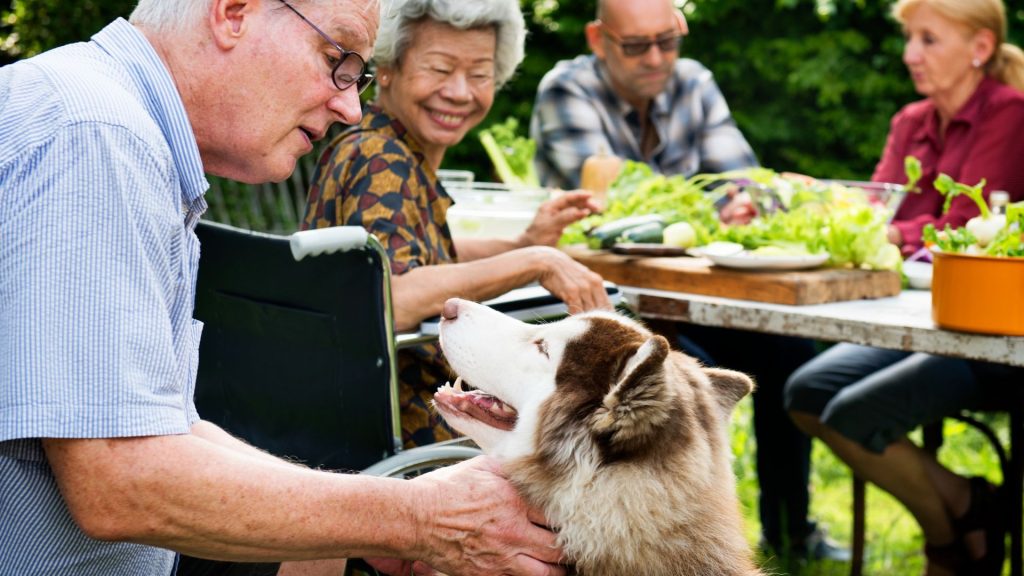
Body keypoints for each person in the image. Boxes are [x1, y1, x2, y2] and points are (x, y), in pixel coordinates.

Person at [0, 1, 569, 575]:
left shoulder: (113, 127)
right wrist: (419, 517)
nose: (351, 106)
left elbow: (166, 426)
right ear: (234, 12)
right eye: (335, 59)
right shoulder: (98, 139)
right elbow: (120, 480)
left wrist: (378, 519)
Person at [528, 0, 847, 563]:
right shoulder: (566, 90)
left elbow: (742, 181)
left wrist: (745, 197)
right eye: (636, 45)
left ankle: (791, 530)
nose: (657, 58)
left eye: (667, 41)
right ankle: (659, 541)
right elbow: (615, 199)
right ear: (599, 39)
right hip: (610, 310)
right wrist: (716, 200)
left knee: (789, 353)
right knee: (680, 379)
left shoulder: (694, 82)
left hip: (693, 297)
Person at [302, 0, 611, 448]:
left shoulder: (381, 147)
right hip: (412, 446)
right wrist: (536, 260)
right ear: (386, 68)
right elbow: (392, 294)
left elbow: (415, 256)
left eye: (480, 74)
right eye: (440, 68)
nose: (460, 91)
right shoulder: (382, 159)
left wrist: (524, 242)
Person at [785, 1, 1024, 575]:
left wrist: (886, 228)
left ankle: (951, 545)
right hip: (908, 318)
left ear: (980, 48)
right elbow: (872, 210)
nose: (910, 54)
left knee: (849, 413)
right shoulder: (910, 121)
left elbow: (969, 224)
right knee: (805, 395)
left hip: (982, 329)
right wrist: (817, 200)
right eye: (909, 38)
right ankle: (964, 511)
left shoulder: (1011, 114)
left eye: (928, 40)